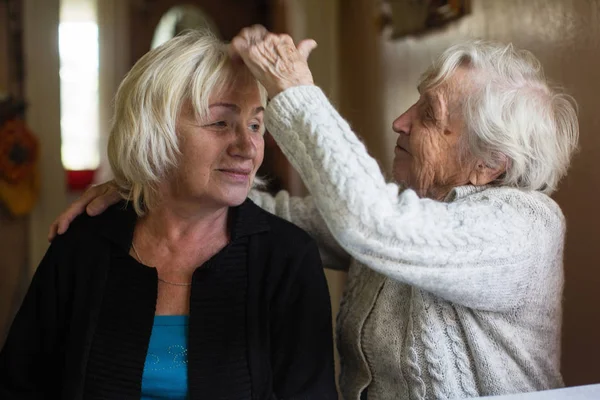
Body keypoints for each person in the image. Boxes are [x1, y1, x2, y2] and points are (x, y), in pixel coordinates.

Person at [49, 26, 580, 400]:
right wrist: (149, 178)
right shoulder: (415, 210)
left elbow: (369, 222)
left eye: (428, 115)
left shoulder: (525, 227)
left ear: (489, 165)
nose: (400, 121)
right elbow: (274, 213)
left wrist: (296, 91)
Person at [0, 30, 337, 400]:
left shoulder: (287, 258)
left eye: (256, 124)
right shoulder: (83, 245)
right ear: (154, 131)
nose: (248, 146)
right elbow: (19, 386)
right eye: (221, 122)